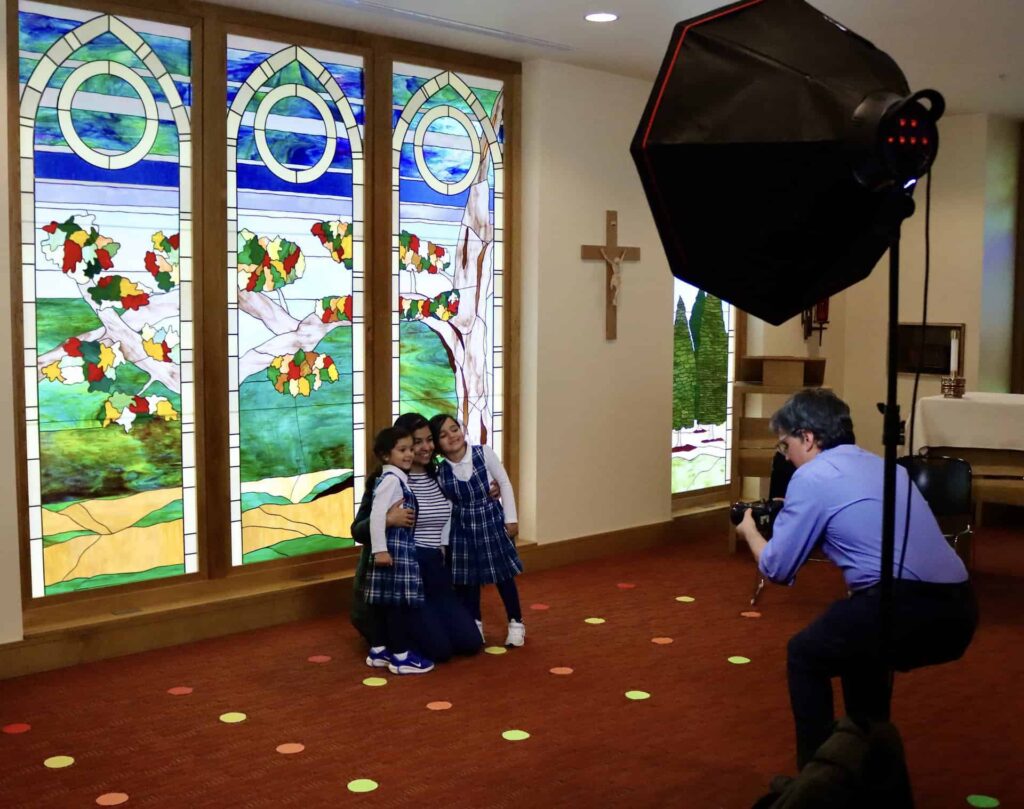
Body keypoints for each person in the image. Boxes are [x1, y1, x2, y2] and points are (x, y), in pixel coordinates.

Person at [734, 389, 977, 773]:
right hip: (960, 608)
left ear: (808, 437)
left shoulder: (812, 476)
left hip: (904, 604)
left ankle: (816, 781)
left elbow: (778, 568)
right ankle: (870, 766)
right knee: (859, 647)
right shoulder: (888, 469)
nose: (787, 457)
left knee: (805, 654)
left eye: (786, 446)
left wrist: (749, 530)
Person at [350, 414, 483, 663]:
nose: (423, 448)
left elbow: (469, 495)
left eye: (429, 440)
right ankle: (391, 641)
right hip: (405, 573)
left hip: (435, 571)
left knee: (470, 642)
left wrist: (490, 490)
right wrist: (388, 520)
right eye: (414, 443)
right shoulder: (390, 479)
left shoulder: (442, 474)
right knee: (440, 651)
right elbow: (357, 530)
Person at [430, 414, 525, 647]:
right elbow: (447, 506)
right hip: (461, 527)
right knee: (468, 579)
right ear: (437, 445)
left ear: (462, 430)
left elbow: (504, 482)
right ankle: (475, 624)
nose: (451, 436)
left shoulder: (484, 452)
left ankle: (516, 622)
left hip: (490, 520)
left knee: (503, 575)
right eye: (443, 435)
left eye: (454, 429)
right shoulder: (441, 471)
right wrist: (444, 542)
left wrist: (511, 519)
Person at [361, 426, 434, 675]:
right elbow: (376, 516)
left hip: (394, 549)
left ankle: (379, 650)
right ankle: (401, 656)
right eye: (402, 450)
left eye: (410, 449)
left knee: (386, 603)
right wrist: (380, 550)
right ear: (385, 455)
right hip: (393, 550)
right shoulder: (391, 480)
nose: (409, 455)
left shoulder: (397, 479)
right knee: (396, 605)